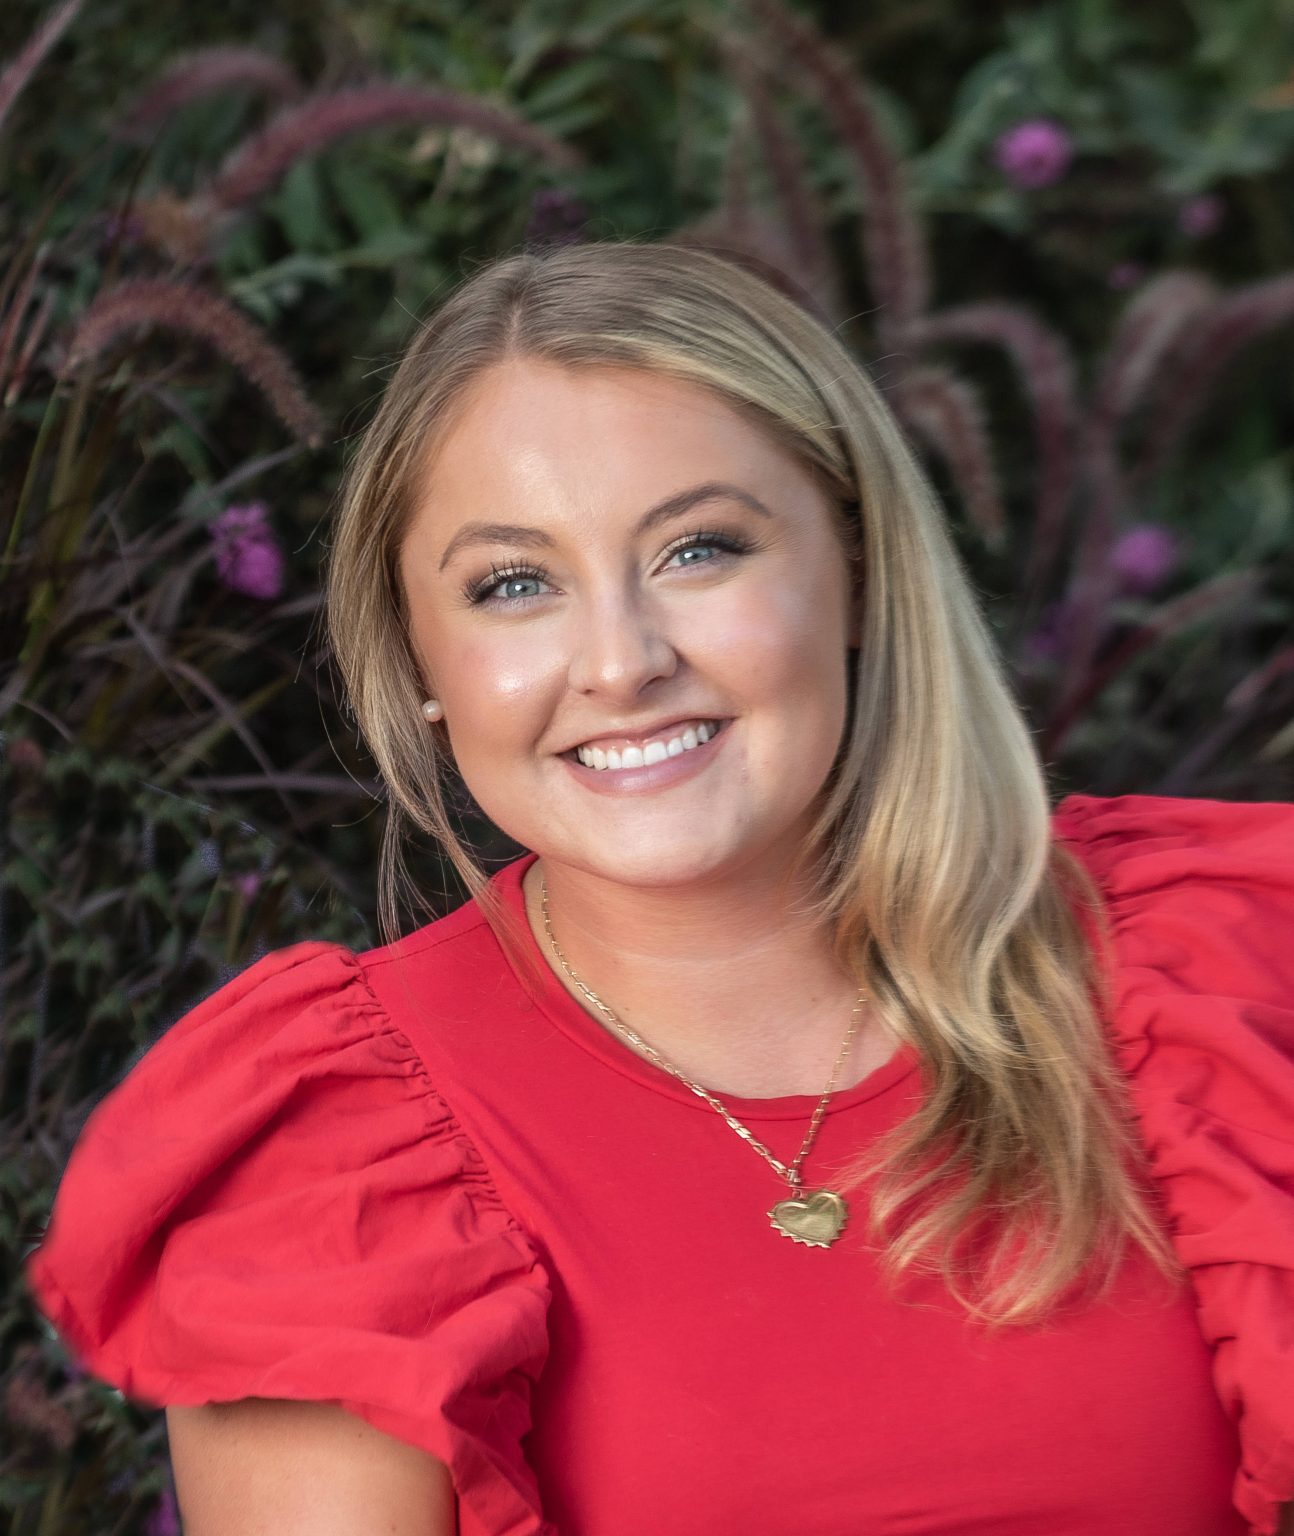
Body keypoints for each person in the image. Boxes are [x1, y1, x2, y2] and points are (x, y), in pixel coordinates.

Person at [23, 239, 1294, 1536]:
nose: (621, 663)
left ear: (857, 570)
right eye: (514, 585)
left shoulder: (1224, 971)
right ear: (418, 661)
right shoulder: (329, 1162)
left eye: (698, 550)